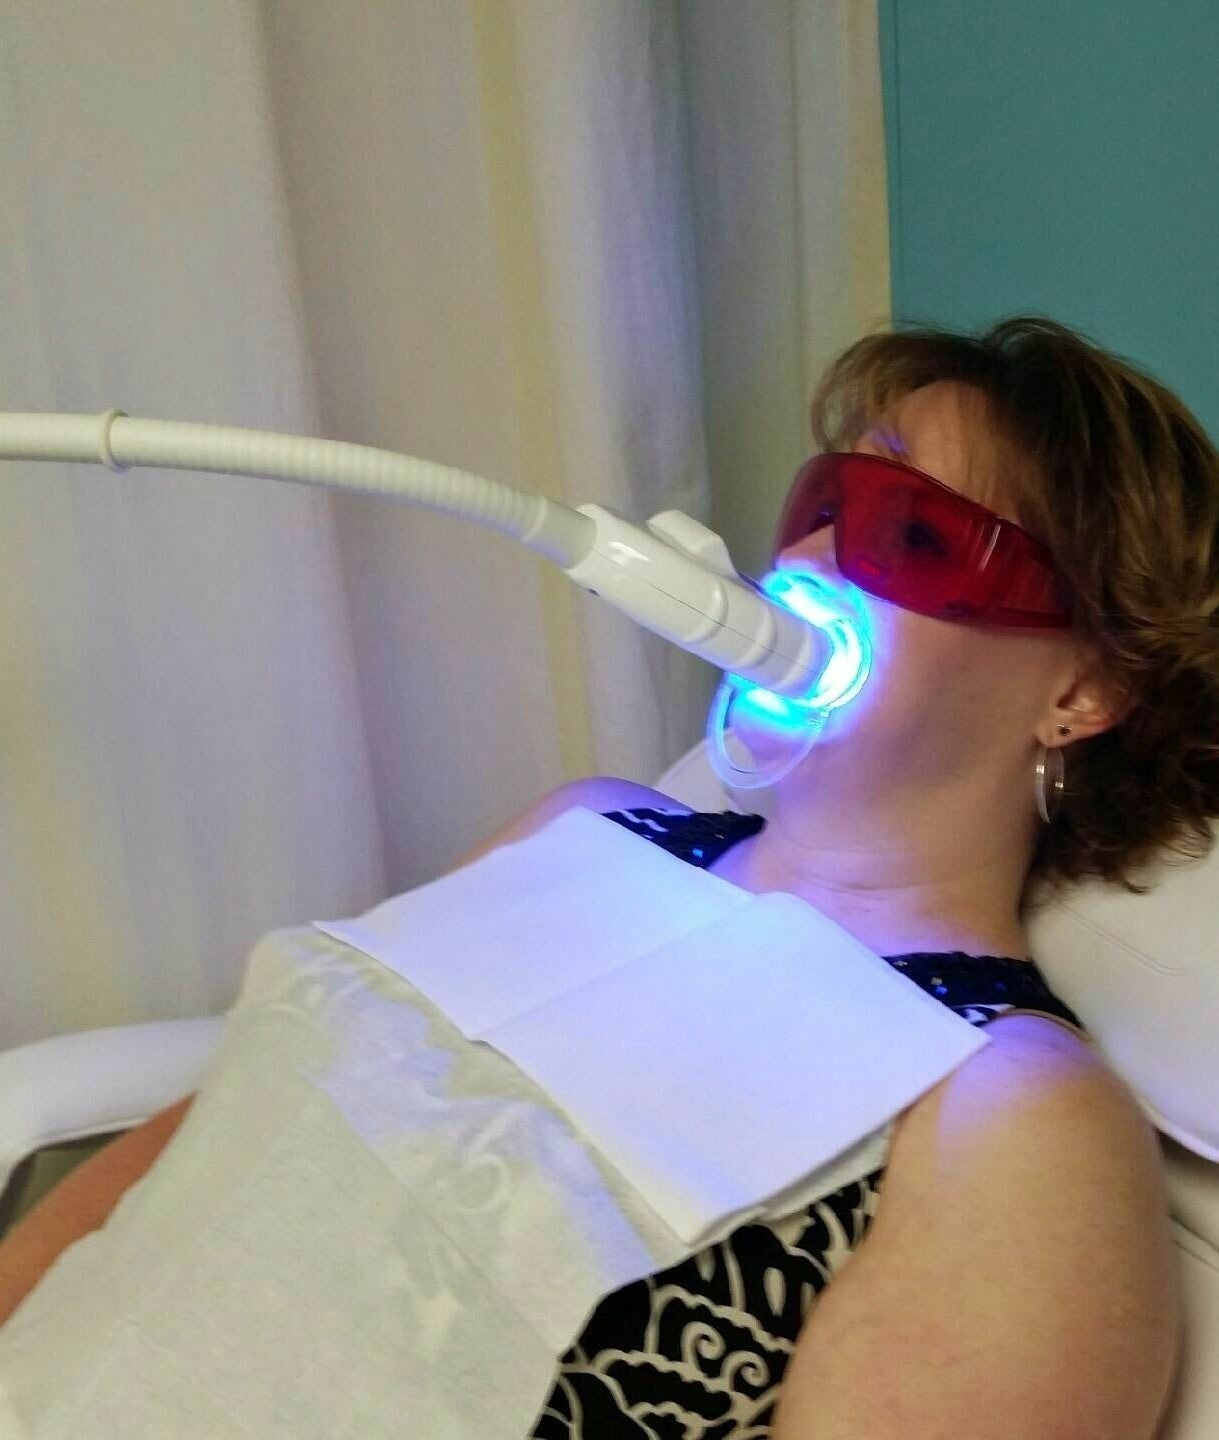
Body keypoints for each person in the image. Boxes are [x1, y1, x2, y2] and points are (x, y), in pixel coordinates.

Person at [2, 315, 1212, 1438]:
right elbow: (214, 1135)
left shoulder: (1013, 1111)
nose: (809, 557)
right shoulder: (583, 830)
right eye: (823, 501)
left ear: (1084, 687)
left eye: (910, 531)